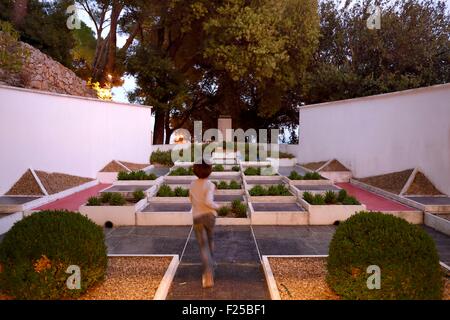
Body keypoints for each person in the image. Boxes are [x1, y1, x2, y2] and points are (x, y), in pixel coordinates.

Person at [189, 161, 219, 288]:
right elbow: (208, 201)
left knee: (202, 245)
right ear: (209, 170)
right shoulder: (210, 185)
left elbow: (190, 199)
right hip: (209, 216)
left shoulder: (192, 184)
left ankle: (208, 273)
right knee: (210, 239)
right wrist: (218, 207)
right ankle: (211, 265)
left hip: (197, 217)